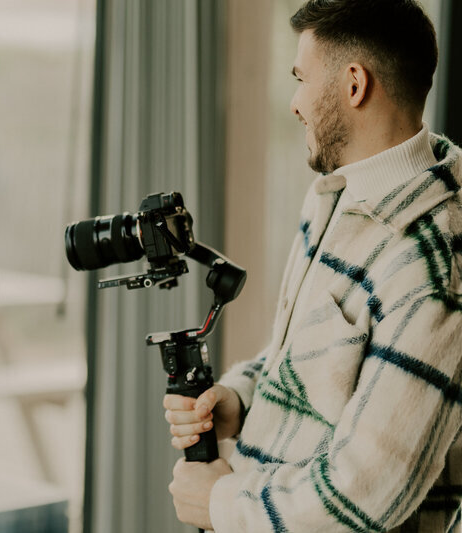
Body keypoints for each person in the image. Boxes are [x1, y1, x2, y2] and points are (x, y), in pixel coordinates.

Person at [164, 0, 462, 531]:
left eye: (302, 77)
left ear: (354, 85)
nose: (296, 102)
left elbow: (366, 492)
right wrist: (238, 400)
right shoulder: (335, 193)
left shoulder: (432, 269)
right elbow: (305, 352)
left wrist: (221, 504)